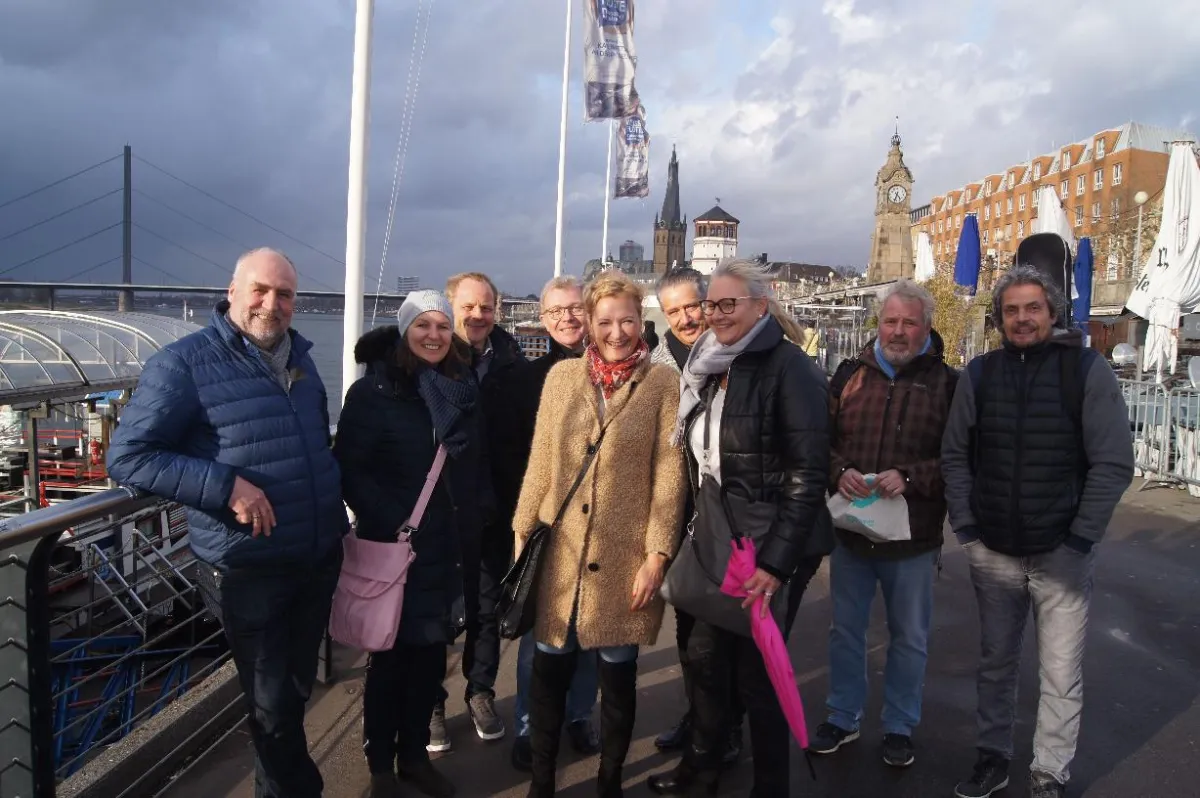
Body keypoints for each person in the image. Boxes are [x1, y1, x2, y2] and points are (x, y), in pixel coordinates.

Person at [106, 248, 347, 798]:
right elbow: (128, 458)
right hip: (247, 566)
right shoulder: (184, 362)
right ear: (232, 291)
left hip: (313, 559)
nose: (272, 303)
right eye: (260, 290)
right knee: (271, 706)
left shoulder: (303, 364)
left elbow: (313, 448)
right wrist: (223, 486)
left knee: (290, 693)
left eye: (285, 294)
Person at [941, 266, 1133, 798]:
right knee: (996, 664)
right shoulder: (979, 374)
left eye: (1032, 309)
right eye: (1011, 310)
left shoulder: (1086, 371)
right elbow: (955, 456)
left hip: (1061, 552)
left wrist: (1080, 538)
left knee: (1059, 672)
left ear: (1051, 312)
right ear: (999, 317)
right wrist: (968, 528)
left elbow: (1113, 462)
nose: (1022, 319)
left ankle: (1050, 769)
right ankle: (992, 757)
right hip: (995, 550)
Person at [648, 258, 834, 797]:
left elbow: (807, 476)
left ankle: (770, 786)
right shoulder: (712, 363)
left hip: (773, 541)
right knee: (706, 661)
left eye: (730, 304)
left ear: (761, 303)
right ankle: (699, 768)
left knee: (758, 673)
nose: (717, 314)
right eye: (713, 305)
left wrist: (776, 565)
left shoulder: (791, 368)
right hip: (722, 534)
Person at [513, 270, 686, 798]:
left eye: (628, 319)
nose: (617, 332)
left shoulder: (662, 384)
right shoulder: (561, 380)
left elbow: (670, 475)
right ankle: (542, 782)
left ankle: (609, 781)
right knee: (548, 675)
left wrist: (656, 554)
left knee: (617, 677)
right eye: (605, 321)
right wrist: (522, 533)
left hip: (625, 560)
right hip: (560, 556)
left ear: (642, 321)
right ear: (587, 322)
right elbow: (541, 461)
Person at [334, 291, 488, 798]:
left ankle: (415, 756)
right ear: (405, 331)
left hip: (448, 548)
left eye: (443, 326)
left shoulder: (459, 387)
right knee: (390, 662)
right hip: (398, 550)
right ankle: (381, 765)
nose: (434, 335)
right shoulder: (372, 393)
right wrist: (395, 524)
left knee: (429, 661)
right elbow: (351, 471)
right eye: (423, 325)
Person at [810, 279, 958, 768]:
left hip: (912, 538)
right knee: (845, 631)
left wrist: (911, 475)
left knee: (909, 638)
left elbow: (960, 458)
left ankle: (899, 725)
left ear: (926, 327)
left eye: (908, 322)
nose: (898, 330)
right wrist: (838, 472)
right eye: (890, 320)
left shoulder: (949, 383)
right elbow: (821, 443)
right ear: (879, 322)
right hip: (851, 531)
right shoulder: (849, 374)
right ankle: (843, 715)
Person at [649, 268, 745, 768]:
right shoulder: (659, 366)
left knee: (727, 634)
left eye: (693, 306)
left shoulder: (737, 353)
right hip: (684, 518)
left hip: (733, 518)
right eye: (675, 310)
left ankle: (728, 726)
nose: (687, 317)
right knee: (690, 632)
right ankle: (700, 717)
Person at [429, 271, 529, 751]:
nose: (477, 315)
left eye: (486, 307)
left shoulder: (512, 363)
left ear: (497, 309)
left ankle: (481, 691)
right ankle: (431, 704)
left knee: (485, 609)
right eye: (468, 306)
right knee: (434, 612)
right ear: (451, 307)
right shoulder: (429, 360)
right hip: (439, 512)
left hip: (494, 510)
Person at [510, 276, 601, 771]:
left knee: (587, 632)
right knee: (540, 636)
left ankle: (579, 715)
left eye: (575, 309)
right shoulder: (526, 380)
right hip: (548, 524)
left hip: (602, 523)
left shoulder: (617, 371)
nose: (567, 318)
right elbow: (517, 458)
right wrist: (522, 524)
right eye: (556, 312)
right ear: (543, 320)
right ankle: (529, 723)